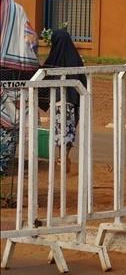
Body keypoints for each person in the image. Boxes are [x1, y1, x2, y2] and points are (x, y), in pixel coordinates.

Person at [0, 0, 40, 176]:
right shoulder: (18, 10)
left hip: (5, 75)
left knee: (7, 122)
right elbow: (32, 41)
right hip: (20, 75)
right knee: (12, 122)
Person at [39, 28, 86, 171]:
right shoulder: (76, 59)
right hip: (74, 100)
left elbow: (41, 76)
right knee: (70, 129)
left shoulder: (53, 58)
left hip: (58, 100)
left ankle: (62, 156)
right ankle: (64, 155)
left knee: (60, 129)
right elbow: (83, 79)